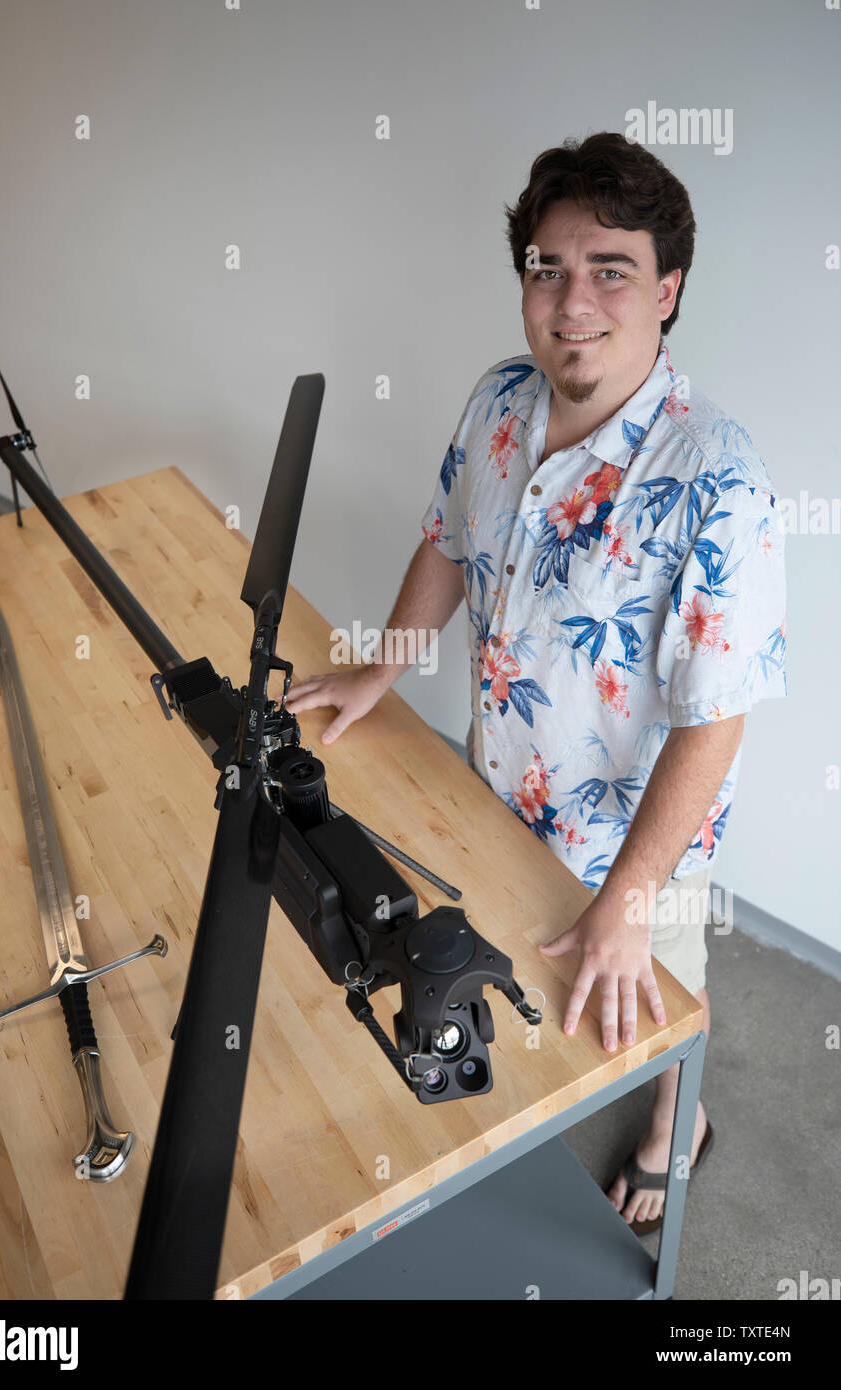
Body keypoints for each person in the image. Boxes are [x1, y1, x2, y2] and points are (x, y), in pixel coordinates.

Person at [286, 131, 787, 1235]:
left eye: (608, 269)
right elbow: (446, 541)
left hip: (637, 853)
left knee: (656, 1005)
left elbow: (714, 723)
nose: (570, 302)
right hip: (498, 792)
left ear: (666, 290)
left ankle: (675, 1129)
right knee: (505, 993)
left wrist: (627, 899)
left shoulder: (719, 481)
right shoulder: (499, 401)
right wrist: (386, 665)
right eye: (545, 270)